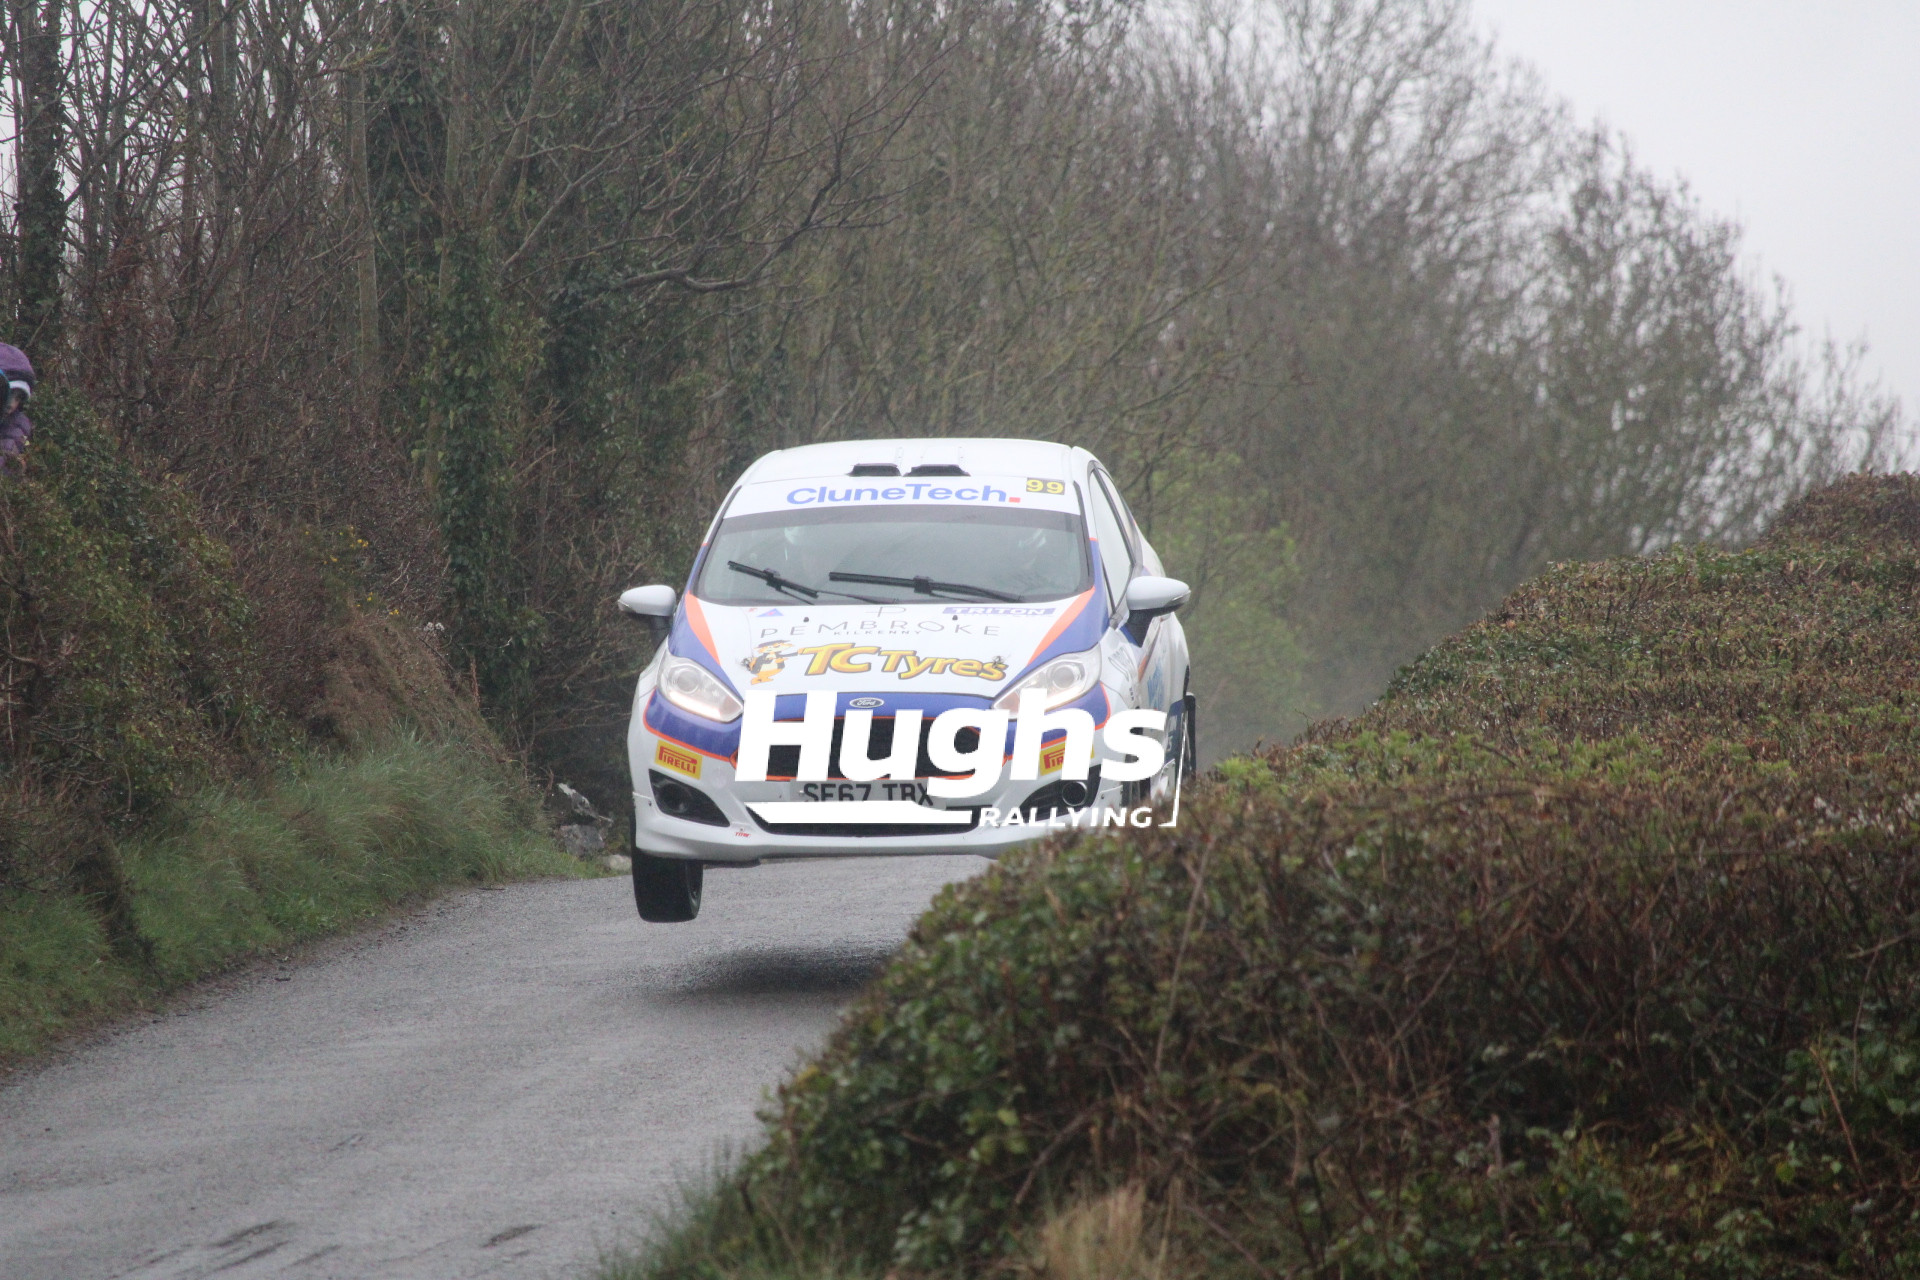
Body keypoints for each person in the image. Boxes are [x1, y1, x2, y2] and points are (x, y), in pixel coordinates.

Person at [0, 343, 33, 475]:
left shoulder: (15, 428)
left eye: (18, 398)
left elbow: (6, 462)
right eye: (6, 394)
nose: (11, 404)